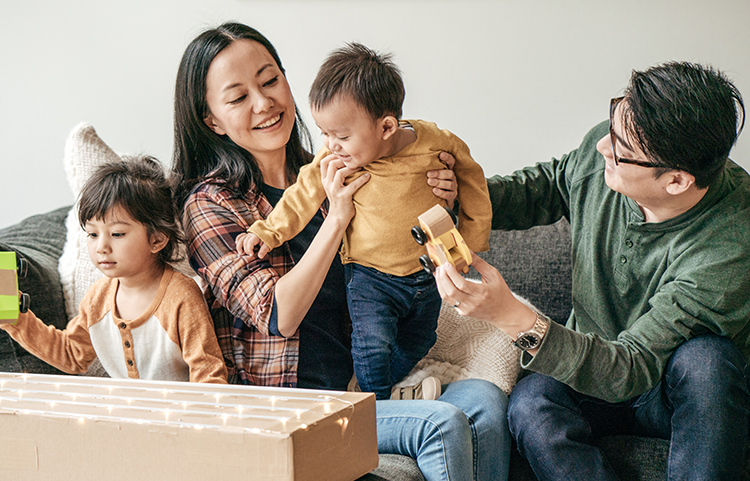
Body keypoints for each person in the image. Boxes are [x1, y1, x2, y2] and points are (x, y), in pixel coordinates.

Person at [171, 22, 509, 481]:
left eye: (270, 81)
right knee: (442, 424)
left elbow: (406, 250)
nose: (264, 102)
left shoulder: (349, 157)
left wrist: (438, 202)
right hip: (293, 405)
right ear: (211, 120)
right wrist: (336, 216)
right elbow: (279, 314)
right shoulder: (210, 204)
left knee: (487, 403)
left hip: (361, 387)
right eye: (237, 97)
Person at [434, 61, 750, 480]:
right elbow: (543, 188)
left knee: (707, 363)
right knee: (532, 404)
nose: (602, 146)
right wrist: (460, 193)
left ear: (676, 181)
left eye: (620, 148)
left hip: (665, 390)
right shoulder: (604, 153)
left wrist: (512, 317)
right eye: (611, 123)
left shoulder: (730, 243)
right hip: (587, 370)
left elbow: (633, 366)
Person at [238, 42, 491, 400]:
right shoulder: (339, 158)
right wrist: (268, 230)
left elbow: (473, 179)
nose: (330, 146)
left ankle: (376, 394)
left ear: (387, 127)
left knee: (421, 338)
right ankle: (379, 402)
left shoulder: (436, 143)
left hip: (427, 270)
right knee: (372, 347)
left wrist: (471, 236)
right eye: (324, 134)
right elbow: (304, 191)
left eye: (340, 136)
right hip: (369, 276)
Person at [1, 156, 227, 383]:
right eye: (92, 234)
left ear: (157, 240)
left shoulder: (181, 296)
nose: (101, 247)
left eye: (117, 234)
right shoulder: (97, 297)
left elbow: (208, 374)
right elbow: (72, 355)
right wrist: (19, 321)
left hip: (177, 414)